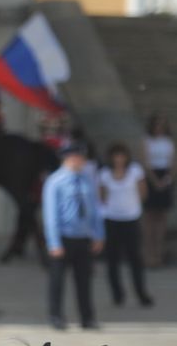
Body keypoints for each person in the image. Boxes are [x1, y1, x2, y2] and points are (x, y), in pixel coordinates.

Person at [42, 140, 105, 330]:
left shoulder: (87, 179)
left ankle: (87, 317)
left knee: (84, 280)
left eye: (82, 157)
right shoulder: (55, 182)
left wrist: (99, 234)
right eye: (78, 157)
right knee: (57, 280)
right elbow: (50, 215)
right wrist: (54, 242)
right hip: (63, 237)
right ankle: (56, 316)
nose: (81, 160)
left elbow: (95, 209)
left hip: (83, 237)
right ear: (68, 158)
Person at [98, 142, 150, 307]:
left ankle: (141, 292)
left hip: (131, 218)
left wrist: (132, 206)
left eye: (122, 156)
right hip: (112, 219)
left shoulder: (135, 171)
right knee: (112, 260)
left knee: (135, 258)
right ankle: (117, 294)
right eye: (116, 156)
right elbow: (102, 196)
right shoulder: (105, 173)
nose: (119, 159)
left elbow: (143, 192)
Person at [141, 113, 176, 267]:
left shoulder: (169, 142)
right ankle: (148, 254)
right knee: (149, 216)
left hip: (165, 176)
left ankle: (159, 253)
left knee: (161, 217)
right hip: (151, 176)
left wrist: (167, 179)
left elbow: (175, 162)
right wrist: (154, 180)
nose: (160, 128)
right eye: (157, 124)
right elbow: (145, 161)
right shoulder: (147, 141)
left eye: (162, 125)